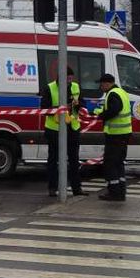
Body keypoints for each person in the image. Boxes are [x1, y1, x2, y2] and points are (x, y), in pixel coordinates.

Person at [44, 66, 84, 197]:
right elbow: (44, 108)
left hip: (72, 127)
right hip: (55, 129)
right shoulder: (50, 88)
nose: (70, 81)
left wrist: (77, 105)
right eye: (67, 78)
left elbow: (83, 105)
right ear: (60, 77)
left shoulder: (75, 87)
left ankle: (76, 189)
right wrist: (61, 108)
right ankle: (52, 188)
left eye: (71, 78)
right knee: (53, 160)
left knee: (74, 160)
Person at [91, 73, 131, 201]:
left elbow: (115, 109)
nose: (101, 87)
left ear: (107, 83)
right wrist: (97, 113)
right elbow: (111, 108)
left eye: (102, 84)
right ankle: (121, 191)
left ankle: (114, 192)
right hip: (123, 134)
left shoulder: (112, 94)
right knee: (119, 163)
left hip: (115, 135)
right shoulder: (121, 92)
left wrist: (102, 116)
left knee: (110, 164)